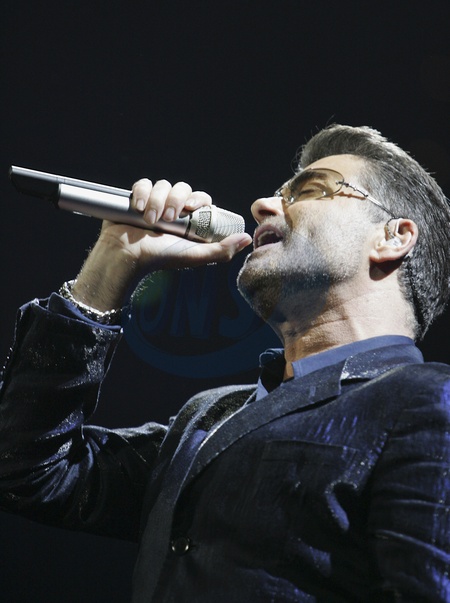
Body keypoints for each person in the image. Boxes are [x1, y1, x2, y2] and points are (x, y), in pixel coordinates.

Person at [1, 124, 450, 602]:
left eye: (311, 190)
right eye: (278, 193)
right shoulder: (208, 417)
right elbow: (28, 471)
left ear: (393, 236)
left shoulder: (427, 404)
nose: (261, 206)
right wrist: (113, 261)